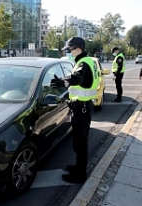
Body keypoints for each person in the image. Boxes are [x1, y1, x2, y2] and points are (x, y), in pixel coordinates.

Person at [50, 37, 99, 183]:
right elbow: (79, 78)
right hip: (83, 107)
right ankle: (78, 167)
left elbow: (77, 78)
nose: (69, 53)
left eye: (69, 50)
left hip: (82, 109)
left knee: (80, 143)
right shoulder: (89, 60)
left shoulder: (83, 63)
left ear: (78, 49)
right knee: (79, 142)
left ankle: (80, 175)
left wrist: (63, 82)